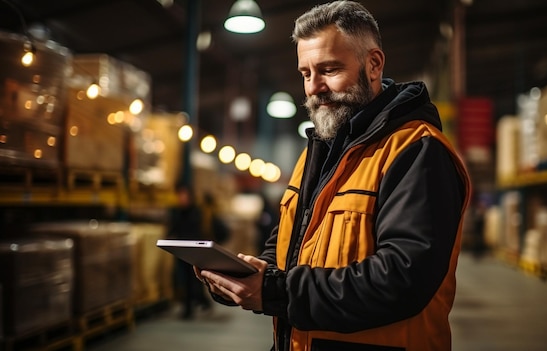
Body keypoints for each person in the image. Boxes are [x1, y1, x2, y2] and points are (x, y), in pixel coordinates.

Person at [196, 1, 471, 350]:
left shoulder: (416, 152)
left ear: (373, 65)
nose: (314, 87)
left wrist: (274, 291)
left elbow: (402, 280)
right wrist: (244, 278)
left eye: (328, 69)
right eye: (305, 74)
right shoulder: (316, 154)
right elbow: (286, 250)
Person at [168, 184, 211, 319]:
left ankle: (201, 301)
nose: (182, 199)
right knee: (185, 280)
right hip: (181, 251)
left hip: (193, 251)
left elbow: (199, 232)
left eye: (184, 195)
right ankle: (189, 308)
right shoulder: (177, 212)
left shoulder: (195, 212)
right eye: (180, 196)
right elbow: (173, 229)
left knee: (194, 279)